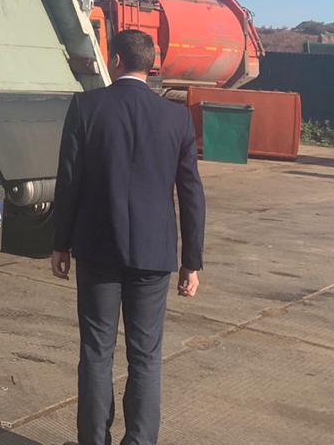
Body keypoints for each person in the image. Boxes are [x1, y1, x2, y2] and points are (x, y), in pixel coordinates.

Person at [50, 29, 206, 445]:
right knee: (146, 355)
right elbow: (191, 193)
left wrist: (60, 243)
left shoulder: (86, 107)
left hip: (98, 249)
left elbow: (69, 180)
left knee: (96, 352)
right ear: (150, 64)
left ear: (116, 60)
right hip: (154, 255)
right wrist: (191, 262)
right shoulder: (175, 118)